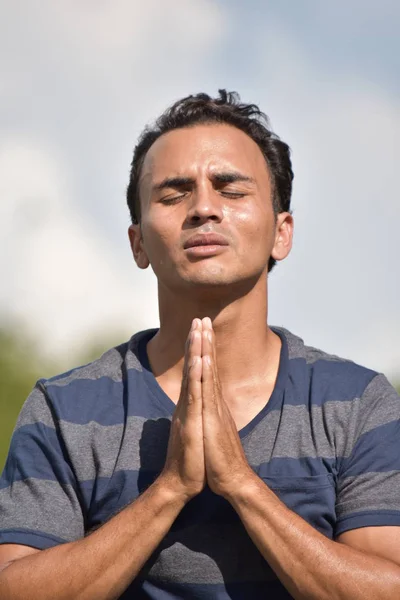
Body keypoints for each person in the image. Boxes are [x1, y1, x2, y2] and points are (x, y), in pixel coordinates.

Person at [0, 90, 399, 600]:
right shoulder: (65, 409)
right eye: (173, 194)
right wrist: (169, 489)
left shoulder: (359, 403)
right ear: (138, 242)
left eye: (231, 190)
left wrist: (241, 484)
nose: (204, 208)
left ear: (282, 232)